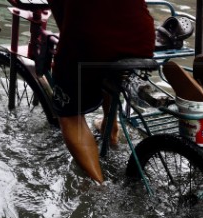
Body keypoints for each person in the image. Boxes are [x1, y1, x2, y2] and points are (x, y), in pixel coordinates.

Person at [47, 0, 155, 183]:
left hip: (92, 41)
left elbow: (63, 19)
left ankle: (98, 185)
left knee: (69, 115)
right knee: (109, 68)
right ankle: (110, 125)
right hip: (142, 38)